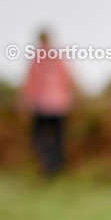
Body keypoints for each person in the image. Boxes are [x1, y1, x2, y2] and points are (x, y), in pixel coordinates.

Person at [20, 27, 74, 176]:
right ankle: (58, 166)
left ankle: (49, 166)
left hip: (42, 106)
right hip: (60, 105)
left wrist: (26, 104)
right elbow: (67, 78)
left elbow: (31, 83)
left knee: (41, 137)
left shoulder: (36, 58)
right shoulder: (58, 56)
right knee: (58, 137)